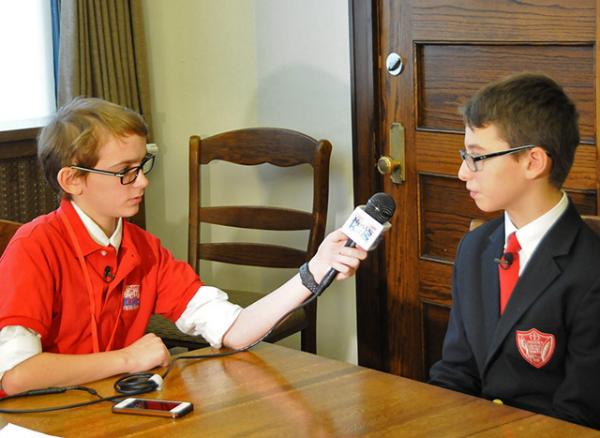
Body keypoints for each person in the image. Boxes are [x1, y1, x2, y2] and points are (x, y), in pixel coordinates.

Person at [0, 97, 367, 396]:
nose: (142, 181)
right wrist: (127, 359)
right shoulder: (35, 247)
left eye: (143, 164)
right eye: (125, 170)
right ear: (73, 179)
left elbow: (234, 330)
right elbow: (16, 374)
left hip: (115, 408)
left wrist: (313, 271)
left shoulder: (142, 248)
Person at [428, 73, 600, 429]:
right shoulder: (474, 248)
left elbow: (579, 415)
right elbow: (456, 371)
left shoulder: (590, 269)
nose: (463, 172)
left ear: (533, 162)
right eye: (465, 155)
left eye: (477, 158)